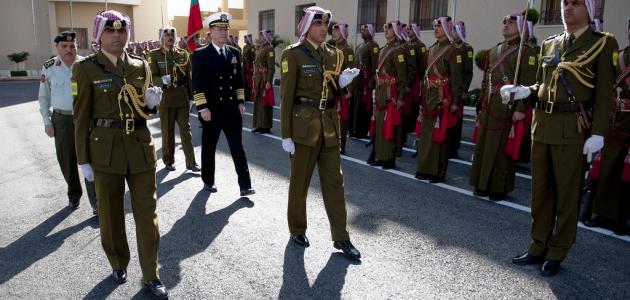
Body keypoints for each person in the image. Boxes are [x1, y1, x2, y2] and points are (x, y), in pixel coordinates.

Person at [504, 0, 618, 276]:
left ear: (590, 10)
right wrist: (525, 91)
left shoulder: (602, 43)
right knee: (540, 193)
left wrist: (598, 133)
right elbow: (543, 83)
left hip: (571, 129)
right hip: (542, 125)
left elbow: (604, 93)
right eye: (566, 3)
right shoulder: (551, 43)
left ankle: (557, 250)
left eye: (576, 4)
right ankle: (537, 245)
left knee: (566, 195)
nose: (567, 8)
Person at [72, 10, 168, 298]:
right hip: (105, 151)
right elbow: (80, 117)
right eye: (110, 31)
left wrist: (152, 105)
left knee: (147, 214)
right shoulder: (86, 69)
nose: (117, 36)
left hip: (139, 147)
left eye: (122, 31)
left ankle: (151, 273)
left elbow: (143, 108)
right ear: (99, 36)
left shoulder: (140, 65)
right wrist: (83, 160)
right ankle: (118, 261)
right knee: (111, 215)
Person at [280, 6, 361, 260]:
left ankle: (341, 237)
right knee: (300, 184)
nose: (324, 29)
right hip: (303, 128)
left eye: (326, 24)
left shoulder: (335, 55)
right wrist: (286, 135)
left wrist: (343, 85)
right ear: (307, 26)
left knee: (335, 184)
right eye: (318, 24)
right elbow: (286, 98)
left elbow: (334, 90)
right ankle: (297, 228)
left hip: (329, 127)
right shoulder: (292, 55)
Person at [469, 13, 538, 200]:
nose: (506, 24)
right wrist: (482, 103)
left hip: (508, 106)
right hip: (490, 104)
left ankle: (498, 187)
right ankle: (481, 183)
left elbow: (529, 83)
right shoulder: (494, 51)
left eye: (511, 22)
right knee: (484, 145)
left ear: (522, 27)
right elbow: (486, 80)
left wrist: (521, 109)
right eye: (504, 22)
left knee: (501, 148)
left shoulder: (527, 51)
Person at [192, 12, 256, 197]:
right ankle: (208, 180)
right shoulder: (200, 54)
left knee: (237, 147)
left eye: (225, 28)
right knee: (209, 147)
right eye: (219, 29)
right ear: (210, 31)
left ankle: (245, 185)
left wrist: (241, 101)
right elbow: (197, 84)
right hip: (211, 111)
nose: (223, 32)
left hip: (231, 111)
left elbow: (239, 81)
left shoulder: (234, 52)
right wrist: (202, 108)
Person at [38, 31, 97, 214]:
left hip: (85, 117)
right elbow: (43, 97)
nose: (69, 50)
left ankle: (96, 202)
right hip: (61, 119)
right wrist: (47, 121)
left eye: (73, 46)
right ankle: (74, 195)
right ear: (56, 48)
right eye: (64, 46)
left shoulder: (86, 64)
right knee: (67, 160)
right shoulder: (49, 66)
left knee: (91, 159)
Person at [584, 16, 630, 235]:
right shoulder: (620, 56)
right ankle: (600, 213)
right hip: (615, 121)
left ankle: (623, 218)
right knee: (607, 169)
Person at [415, 16, 464, 183]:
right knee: (426, 134)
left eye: (439, 26)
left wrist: (455, 101)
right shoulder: (431, 49)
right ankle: (423, 168)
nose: (436, 29)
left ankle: (438, 171)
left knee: (440, 136)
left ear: (447, 28)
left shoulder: (453, 50)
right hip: (429, 96)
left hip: (443, 98)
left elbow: (457, 80)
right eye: (435, 27)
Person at [148, 27, 199, 172]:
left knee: (185, 130)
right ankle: (168, 160)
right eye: (166, 35)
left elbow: (189, 77)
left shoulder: (183, 54)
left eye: (172, 35)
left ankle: (191, 162)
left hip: (182, 98)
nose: (170, 37)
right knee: (168, 132)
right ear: (161, 38)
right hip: (166, 99)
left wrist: (191, 97)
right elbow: (151, 75)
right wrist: (161, 80)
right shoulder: (154, 55)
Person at [370, 20, 408, 169]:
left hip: (390, 94)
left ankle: (389, 158)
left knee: (389, 126)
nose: (386, 30)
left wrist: (400, 97)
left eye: (390, 29)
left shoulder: (397, 51)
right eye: (385, 28)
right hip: (380, 92)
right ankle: (380, 155)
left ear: (396, 31)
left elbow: (403, 77)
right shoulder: (384, 49)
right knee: (380, 125)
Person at [449, 21, 474, 159]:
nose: (452, 34)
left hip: (458, 89)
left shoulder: (466, 48)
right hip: (448, 88)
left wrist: (464, 89)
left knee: (456, 119)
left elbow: (468, 72)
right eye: (451, 31)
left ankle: (454, 147)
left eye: (454, 31)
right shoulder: (450, 47)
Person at [331, 23, 356, 154]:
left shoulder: (348, 50)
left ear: (342, 32)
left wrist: (349, 91)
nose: (333, 33)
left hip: (343, 89)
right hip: (332, 88)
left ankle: (341, 145)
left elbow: (351, 72)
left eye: (336, 31)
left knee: (342, 119)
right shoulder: (332, 48)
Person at [351, 24, 379, 139]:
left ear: (371, 32)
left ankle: (362, 130)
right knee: (355, 104)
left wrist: (372, 80)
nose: (362, 31)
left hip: (366, 80)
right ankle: (353, 129)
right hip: (357, 79)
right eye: (362, 30)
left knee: (364, 105)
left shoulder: (373, 46)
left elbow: (375, 65)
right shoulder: (359, 46)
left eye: (365, 30)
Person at [252, 30, 275, 134]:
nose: (261, 37)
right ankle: (259, 125)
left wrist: (269, 81)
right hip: (258, 79)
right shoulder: (261, 48)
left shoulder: (270, 49)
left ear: (266, 37)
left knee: (265, 103)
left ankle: (265, 126)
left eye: (262, 36)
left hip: (264, 79)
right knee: (258, 103)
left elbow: (271, 67)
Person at [242, 34, 255, 103]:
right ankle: (246, 96)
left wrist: (252, 67)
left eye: (246, 38)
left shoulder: (252, 47)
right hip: (244, 67)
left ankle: (250, 96)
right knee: (244, 82)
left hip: (249, 67)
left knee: (249, 82)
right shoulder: (245, 47)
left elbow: (253, 58)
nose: (245, 40)